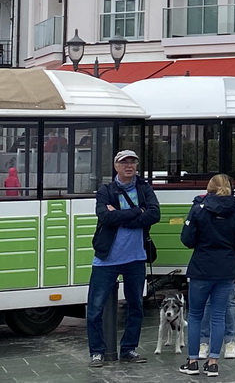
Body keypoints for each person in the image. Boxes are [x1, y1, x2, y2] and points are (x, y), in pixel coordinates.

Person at [86, 150, 160, 368]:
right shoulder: (106, 190)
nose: (129, 166)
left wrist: (122, 217)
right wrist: (137, 211)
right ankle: (97, 352)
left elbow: (155, 214)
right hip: (107, 259)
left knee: (136, 306)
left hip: (136, 258)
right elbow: (105, 217)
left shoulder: (144, 188)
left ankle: (129, 349)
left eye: (133, 162)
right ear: (116, 166)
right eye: (124, 162)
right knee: (95, 308)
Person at [179, 174, 235, 377]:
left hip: (201, 267)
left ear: (209, 188)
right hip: (225, 268)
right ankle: (213, 362)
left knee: (196, 315)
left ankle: (192, 362)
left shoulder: (199, 208)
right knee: (218, 316)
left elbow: (187, 239)